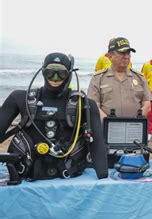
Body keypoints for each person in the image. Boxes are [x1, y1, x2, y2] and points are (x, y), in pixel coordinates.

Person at [0, 53, 108, 181]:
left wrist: (103, 176)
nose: (55, 78)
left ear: (69, 74)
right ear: (43, 72)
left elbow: (96, 143)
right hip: (26, 172)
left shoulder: (84, 104)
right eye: (50, 72)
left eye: (61, 73)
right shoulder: (18, 98)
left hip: (69, 175)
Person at [87, 37, 152, 122]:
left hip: (134, 129)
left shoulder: (139, 78)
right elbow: (94, 107)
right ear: (110, 56)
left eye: (128, 53)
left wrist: (135, 122)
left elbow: (147, 105)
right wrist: (110, 123)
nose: (126, 57)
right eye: (122, 53)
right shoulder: (98, 78)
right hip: (107, 129)